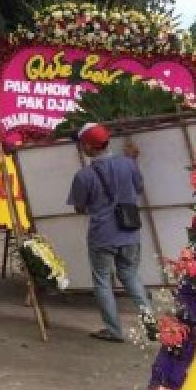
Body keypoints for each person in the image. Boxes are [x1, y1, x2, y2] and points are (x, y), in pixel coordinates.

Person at [66, 122, 152, 343]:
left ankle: (114, 331)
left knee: (103, 281)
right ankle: (150, 322)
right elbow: (139, 189)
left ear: (89, 146)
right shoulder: (128, 165)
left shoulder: (83, 175)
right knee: (131, 275)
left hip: (102, 235)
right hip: (129, 231)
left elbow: (79, 207)